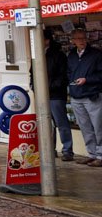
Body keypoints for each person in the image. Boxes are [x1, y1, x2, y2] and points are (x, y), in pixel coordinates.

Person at [67, 28, 102, 166]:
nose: (81, 41)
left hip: (92, 95)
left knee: (98, 127)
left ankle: (100, 155)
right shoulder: (71, 55)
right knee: (85, 127)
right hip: (76, 96)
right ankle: (91, 154)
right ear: (73, 41)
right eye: (78, 38)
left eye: (83, 38)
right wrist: (72, 80)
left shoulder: (96, 54)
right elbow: (68, 72)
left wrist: (86, 80)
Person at [41, 32, 74, 162]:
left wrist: (48, 87)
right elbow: (32, 73)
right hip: (42, 96)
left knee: (61, 123)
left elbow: (62, 76)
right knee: (46, 124)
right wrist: (34, 86)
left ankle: (67, 151)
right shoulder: (38, 54)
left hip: (56, 95)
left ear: (47, 40)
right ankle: (50, 149)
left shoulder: (58, 55)